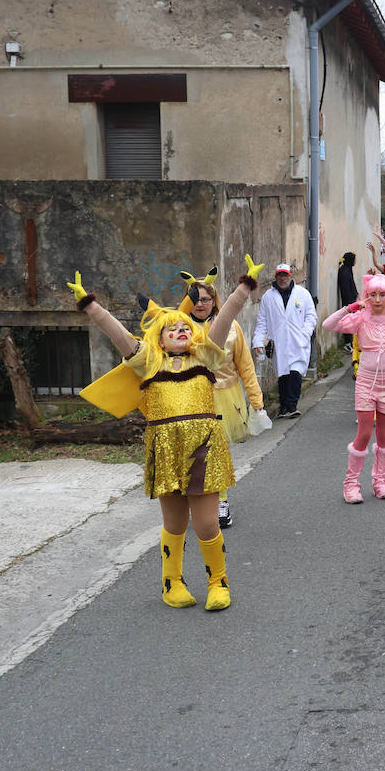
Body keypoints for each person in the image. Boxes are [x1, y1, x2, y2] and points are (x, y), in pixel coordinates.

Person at [67, 256, 259, 611]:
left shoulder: (206, 358)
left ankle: (218, 583)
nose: (180, 331)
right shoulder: (147, 362)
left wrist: (244, 287)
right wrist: (90, 305)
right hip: (166, 449)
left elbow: (226, 317)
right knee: (174, 523)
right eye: (172, 329)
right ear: (159, 337)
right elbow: (118, 334)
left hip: (203, 448)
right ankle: (172, 583)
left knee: (205, 524)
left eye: (185, 327)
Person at [179, 267, 267, 530]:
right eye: (195, 298)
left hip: (224, 398)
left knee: (217, 453)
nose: (201, 304)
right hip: (190, 398)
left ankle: (221, 502)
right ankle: (198, 500)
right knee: (194, 454)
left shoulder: (231, 327)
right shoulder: (178, 329)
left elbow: (245, 366)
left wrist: (257, 402)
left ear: (215, 300)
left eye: (206, 299)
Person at [320, 274, 385, 503]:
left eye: (382, 294)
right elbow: (328, 324)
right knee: (365, 433)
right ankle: (351, 484)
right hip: (366, 382)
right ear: (366, 296)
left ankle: (380, 481)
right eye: (372, 294)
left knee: (384, 435)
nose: (376, 299)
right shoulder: (360, 318)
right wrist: (352, 307)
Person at [252, 263, 317, 419]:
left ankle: (292, 405)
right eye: (280, 275)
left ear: (291, 276)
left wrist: (305, 333)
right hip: (279, 342)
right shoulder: (268, 296)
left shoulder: (303, 294)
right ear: (276, 277)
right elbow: (262, 321)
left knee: (295, 372)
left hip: (298, 342)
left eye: (285, 275)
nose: (283, 278)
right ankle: (284, 406)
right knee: (283, 375)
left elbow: (311, 316)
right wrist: (258, 342)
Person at [336, 252, 359, 348]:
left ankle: (350, 342)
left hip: (351, 301)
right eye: (354, 259)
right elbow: (345, 290)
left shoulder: (347, 270)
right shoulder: (344, 272)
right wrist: (350, 304)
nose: (355, 261)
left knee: (351, 322)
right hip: (348, 302)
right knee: (348, 322)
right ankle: (347, 343)